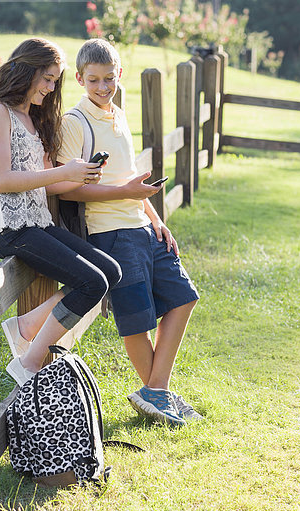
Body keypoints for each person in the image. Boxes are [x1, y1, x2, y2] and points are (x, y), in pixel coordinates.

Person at [56, 38, 202, 426]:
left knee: (183, 297)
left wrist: (156, 219)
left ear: (119, 75)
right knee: (137, 320)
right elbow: (68, 188)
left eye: (109, 79)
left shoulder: (118, 115)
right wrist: (126, 194)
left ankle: (156, 391)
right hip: (110, 233)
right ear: (79, 79)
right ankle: (159, 395)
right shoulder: (75, 122)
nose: (103, 87)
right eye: (93, 81)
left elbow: (129, 180)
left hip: (141, 227)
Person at [0, 37, 122, 387]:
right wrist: (62, 172)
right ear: (27, 70)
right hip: (9, 229)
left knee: (110, 271)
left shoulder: (34, 118)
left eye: (56, 81)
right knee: (91, 282)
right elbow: (3, 180)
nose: (52, 88)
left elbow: (48, 184)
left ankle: (27, 326)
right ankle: (30, 362)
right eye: (48, 78)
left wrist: (79, 174)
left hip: (37, 222)